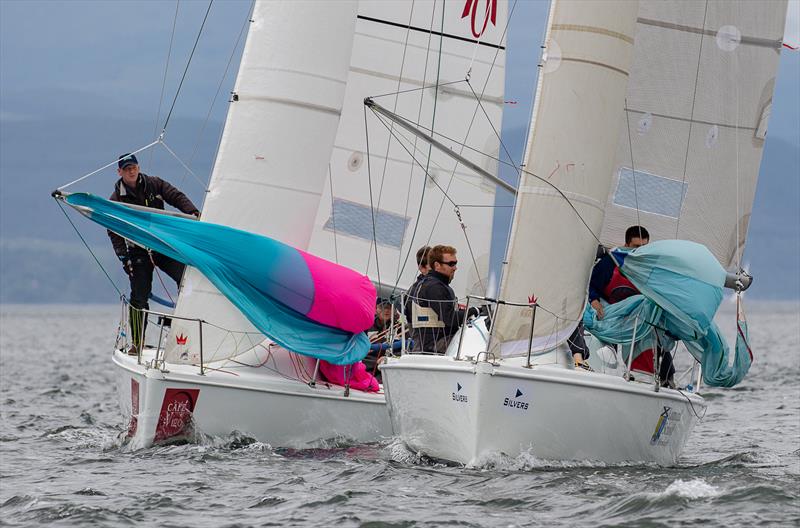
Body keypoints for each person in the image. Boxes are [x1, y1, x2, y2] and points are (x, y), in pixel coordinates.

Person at [109, 153, 200, 355]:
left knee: (186, 278)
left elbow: (176, 196)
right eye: (126, 169)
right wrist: (123, 257)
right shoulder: (115, 200)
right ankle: (137, 343)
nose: (131, 171)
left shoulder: (154, 184)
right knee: (139, 297)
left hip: (161, 245)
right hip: (138, 251)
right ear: (120, 172)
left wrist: (193, 212)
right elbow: (113, 230)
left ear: (138, 168)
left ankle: (190, 331)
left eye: (133, 167)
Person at [588, 225, 675, 386]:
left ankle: (665, 378)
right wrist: (594, 300)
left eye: (644, 247)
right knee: (602, 341)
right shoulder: (610, 263)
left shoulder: (651, 267)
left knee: (656, 335)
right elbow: (590, 284)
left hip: (639, 316)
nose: (639, 251)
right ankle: (600, 376)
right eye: (636, 247)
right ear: (626, 245)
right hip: (611, 314)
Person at [408, 245, 472, 354]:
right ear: (437, 265)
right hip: (434, 347)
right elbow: (450, 318)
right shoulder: (434, 287)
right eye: (451, 264)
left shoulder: (433, 284)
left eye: (455, 263)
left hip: (430, 345)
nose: (455, 268)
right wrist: (474, 311)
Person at [403, 245, 431, 325]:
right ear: (422, 268)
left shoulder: (438, 287)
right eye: (432, 266)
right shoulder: (414, 292)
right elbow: (415, 319)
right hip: (424, 335)